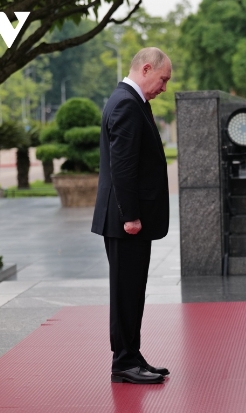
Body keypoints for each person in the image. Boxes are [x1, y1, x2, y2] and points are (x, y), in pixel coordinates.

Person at [91, 47, 172, 384]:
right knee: (126, 291)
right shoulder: (126, 103)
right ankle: (123, 362)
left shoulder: (131, 100)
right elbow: (122, 167)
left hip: (130, 220)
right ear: (147, 68)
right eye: (163, 79)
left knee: (132, 290)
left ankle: (132, 355)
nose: (164, 87)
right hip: (126, 221)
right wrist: (131, 217)